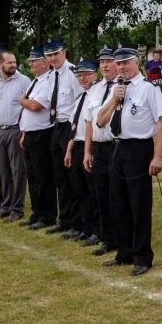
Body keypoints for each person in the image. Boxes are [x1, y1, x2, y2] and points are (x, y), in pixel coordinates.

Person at [96, 43, 162, 276]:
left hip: (138, 148)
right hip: (117, 148)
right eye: (118, 63)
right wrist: (114, 100)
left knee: (139, 204)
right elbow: (100, 121)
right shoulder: (116, 89)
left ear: (137, 62)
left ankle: (142, 256)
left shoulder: (148, 88)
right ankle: (124, 251)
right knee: (118, 203)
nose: (122, 67)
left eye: (126, 62)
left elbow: (161, 123)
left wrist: (158, 156)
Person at [0, 50, 30, 223]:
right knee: (3, 170)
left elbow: (28, 107)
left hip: (16, 129)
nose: (13, 65)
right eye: (9, 62)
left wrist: (24, 131)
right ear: (0, 63)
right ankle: (6, 205)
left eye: (14, 62)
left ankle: (17, 209)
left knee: (18, 171)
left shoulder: (24, 81)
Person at [43, 36, 83, 236]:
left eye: (56, 53)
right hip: (56, 126)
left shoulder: (74, 73)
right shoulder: (52, 75)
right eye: (49, 55)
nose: (53, 58)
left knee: (72, 176)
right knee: (60, 177)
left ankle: (77, 223)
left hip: (69, 127)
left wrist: (73, 134)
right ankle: (65, 219)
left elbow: (80, 104)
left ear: (64, 52)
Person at [83, 45, 120, 255]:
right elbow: (89, 122)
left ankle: (121, 237)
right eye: (102, 61)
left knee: (118, 195)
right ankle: (108, 238)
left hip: (117, 146)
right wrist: (87, 152)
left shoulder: (123, 86)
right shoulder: (95, 89)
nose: (104, 65)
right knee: (102, 194)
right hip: (99, 147)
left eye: (109, 61)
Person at [18, 46, 57, 230]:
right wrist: (24, 133)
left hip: (42, 134)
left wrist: (21, 101)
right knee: (32, 176)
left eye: (34, 60)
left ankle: (47, 215)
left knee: (43, 177)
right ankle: (37, 212)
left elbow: (35, 106)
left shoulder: (48, 80)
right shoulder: (35, 81)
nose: (30, 64)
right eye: (30, 61)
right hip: (30, 133)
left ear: (45, 63)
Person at [63, 58, 99, 242]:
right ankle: (86, 227)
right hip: (77, 146)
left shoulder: (96, 95)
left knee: (93, 192)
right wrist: (69, 150)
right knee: (80, 190)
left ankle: (97, 230)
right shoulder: (80, 97)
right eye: (79, 75)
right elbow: (74, 126)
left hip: (89, 147)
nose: (82, 78)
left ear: (95, 74)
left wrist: (88, 151)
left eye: (86, 74)